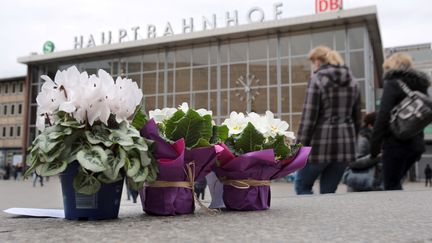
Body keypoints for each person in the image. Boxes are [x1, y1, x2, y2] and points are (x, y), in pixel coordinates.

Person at [295, 46, 361, 194]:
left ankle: (310, 218)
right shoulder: (353, 81)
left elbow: (308, 118)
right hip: (344, 147)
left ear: (318, 61)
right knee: (329, 193)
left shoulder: (317, 79)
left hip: (320, 146)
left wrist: (299, 148)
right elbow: (357, 119)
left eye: (312, 62)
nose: (312, 66)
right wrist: (353, 143)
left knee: (302, 186)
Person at [370, 53, 430, 190]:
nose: (386, 71)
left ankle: (396, 211)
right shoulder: (421, 85)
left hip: (395, 144)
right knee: (395, 183)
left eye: (387, 68)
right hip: (416, 145)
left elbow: (383, 115)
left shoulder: (393, 83)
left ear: (393, 66)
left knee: (390, 186)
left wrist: (374, 146)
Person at [342, 112, 383, 192]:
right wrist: (376, 157)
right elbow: (353, 162)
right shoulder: (362, 140)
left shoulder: (377, 138)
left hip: (372, 184)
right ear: (370, 126)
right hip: (360, 186)